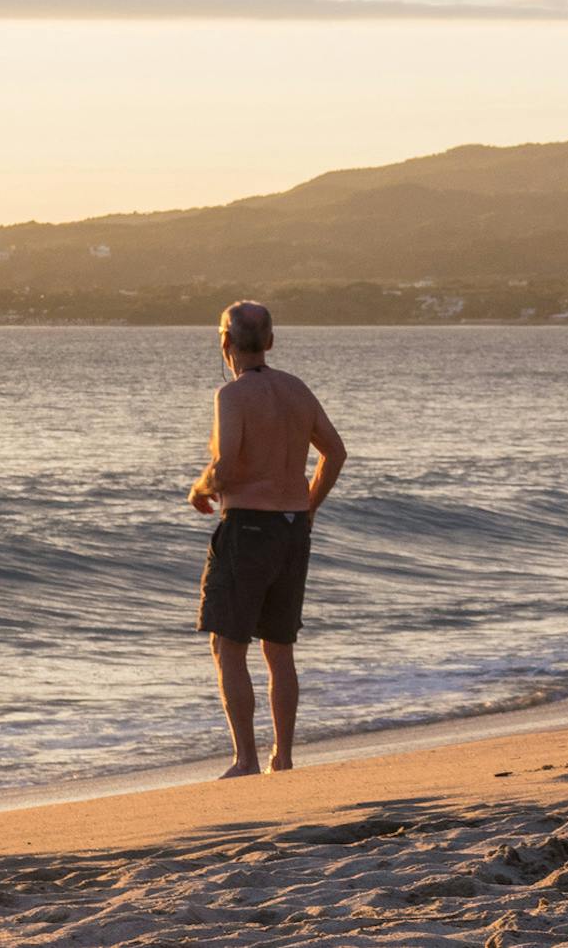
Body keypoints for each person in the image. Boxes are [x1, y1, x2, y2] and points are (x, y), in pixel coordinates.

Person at [190, 300, 346, 778]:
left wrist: (201, 487)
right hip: (292, 528)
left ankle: (246, 759)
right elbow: (334, 453)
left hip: (249, 527)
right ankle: (284, 757)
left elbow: (229, 465)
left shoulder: (231, 395)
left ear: (225, 343)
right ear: (271, 341)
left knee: (228, 643)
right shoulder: (296, 389)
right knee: (279, 648)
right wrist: (310, 505)